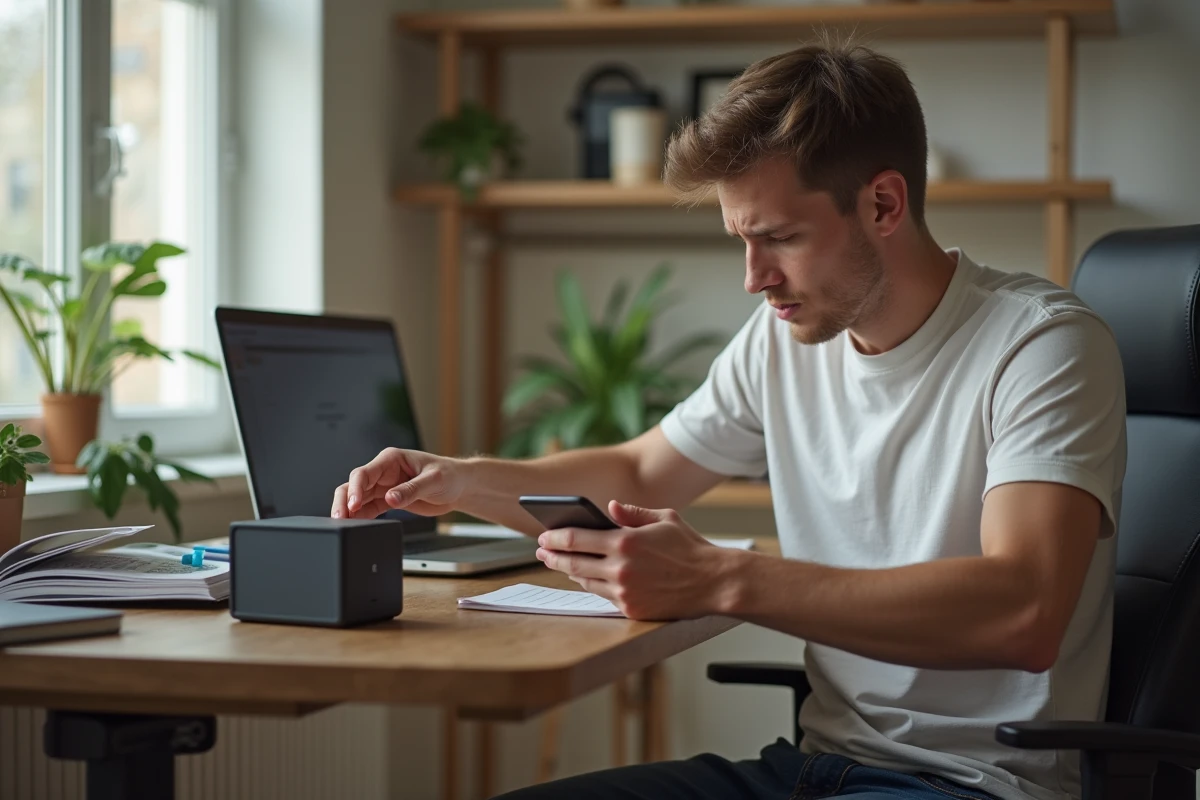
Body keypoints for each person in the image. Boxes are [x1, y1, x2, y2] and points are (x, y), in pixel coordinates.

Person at [331, 38, 1125, 800]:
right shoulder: (784, 341)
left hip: (973, 787)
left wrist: (720, 578)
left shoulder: (1041, 345)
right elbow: (642, 472)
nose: (754, 278)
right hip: (814, 768)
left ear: (883, 203)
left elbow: (1023, 610)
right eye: (741, 239)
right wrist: (459, 479)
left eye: (779, 237)